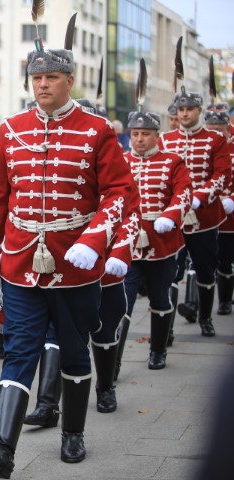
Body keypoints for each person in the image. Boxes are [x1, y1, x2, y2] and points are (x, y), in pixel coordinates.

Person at [0, 43, 131, 477]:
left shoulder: (97, 129)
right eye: (37, 78)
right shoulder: (13, 127)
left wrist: (96, 238)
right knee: (20, 350)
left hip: (76, 263)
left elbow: (120, 193)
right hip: (22, 261)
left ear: (69, 81)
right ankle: (1, 448)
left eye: (52, 78)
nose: (42, 84)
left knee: (75, 351)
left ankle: (73, 433)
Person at [121, 110, 191, 371]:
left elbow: (183, 193)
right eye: (136, 134)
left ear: (156, 136)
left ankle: (158, 350)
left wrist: (171, 216)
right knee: (122, 302)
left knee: (160, 298)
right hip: (127, 243)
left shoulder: (172, 162)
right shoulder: (120, 161)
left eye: (146, 134)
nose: (139, 139)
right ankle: (113, 364)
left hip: (162, 243)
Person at [159, 92, 231, 336]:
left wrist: (199, 198)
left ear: (199, 110)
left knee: (205, 269)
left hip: (204, 217)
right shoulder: (166, 139)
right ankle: (166, 328)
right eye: (181, 110)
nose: (185, 114)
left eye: (190, 109)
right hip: (174, 218)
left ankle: (205, 318)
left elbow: (222, 175)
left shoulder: (215, 139)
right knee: (170, 272)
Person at [200, 106, 234, 315]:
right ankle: (196, 305)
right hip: (205, 210)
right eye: (211, 128)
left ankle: (224, 300)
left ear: (227, 129)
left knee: (226, 259)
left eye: (219, 129)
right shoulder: (202, 147)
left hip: (230, 214)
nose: (215, 134)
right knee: (203, 261)